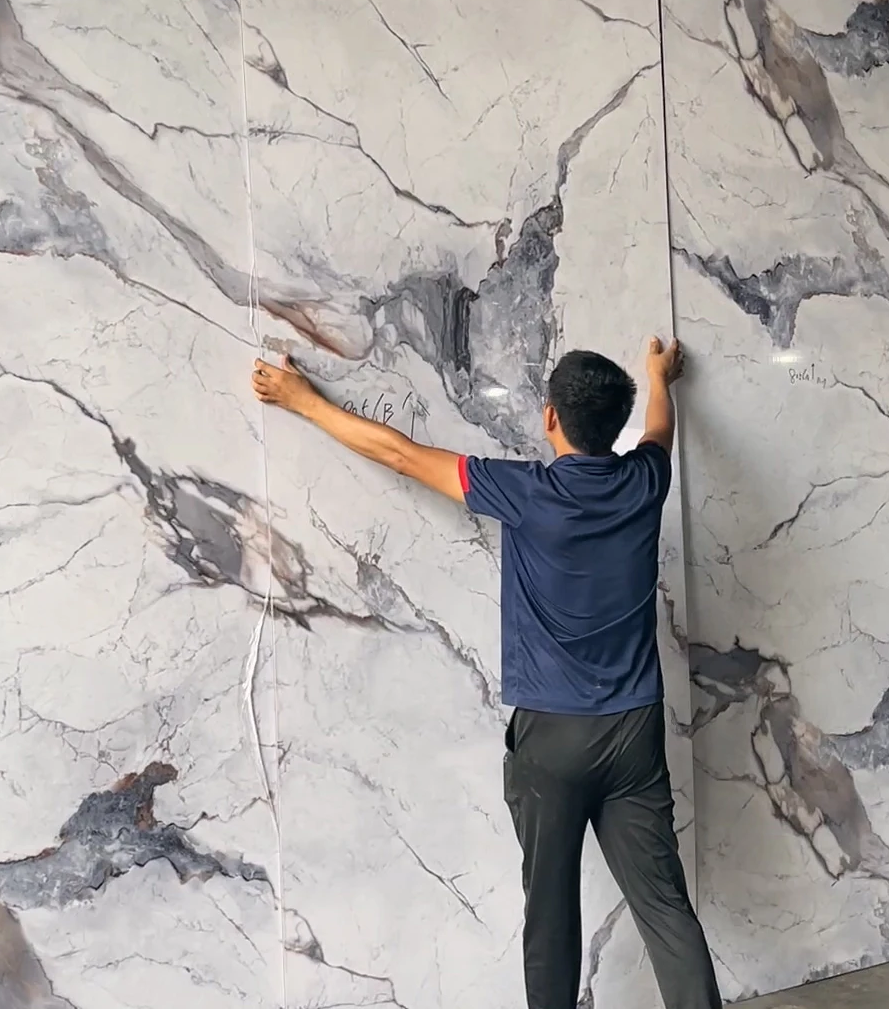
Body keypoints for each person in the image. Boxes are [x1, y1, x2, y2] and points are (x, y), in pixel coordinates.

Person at [251, 340, 722, 1009]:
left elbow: (401, 454)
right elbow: (659, 430)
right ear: (613, 424)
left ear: (550, 417)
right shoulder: (646, 481)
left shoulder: (527, 492)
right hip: (634, 733)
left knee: (550, 913)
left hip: (551, 741)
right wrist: (659, 378)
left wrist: (304, 402)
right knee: (666, 908)